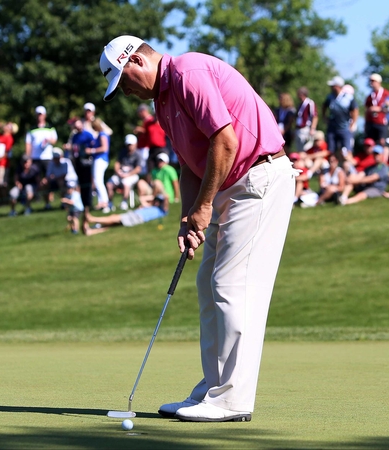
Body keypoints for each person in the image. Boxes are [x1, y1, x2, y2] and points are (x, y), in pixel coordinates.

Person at [99, 34, 294, 422]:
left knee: (232, 284)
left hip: (258, 179)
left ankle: (233, 399)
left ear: (136, 60)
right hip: (228, 186)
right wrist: (188, 217)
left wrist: (204, 205)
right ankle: (213, 388)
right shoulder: (163, 101)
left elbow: (225, 140)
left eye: (123, 81)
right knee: (208, 284)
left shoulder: (189, 72)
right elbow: (191, 164)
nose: (124, 91)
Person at [84, 186, 169, 235]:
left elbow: (166, 198)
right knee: (112, 224)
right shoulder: (151, 206)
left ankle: (91, 219)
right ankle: (90, 231)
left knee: (114, 218)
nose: (157, 202)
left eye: (159, 201)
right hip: (136, 216)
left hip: (137, 217)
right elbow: (142, 198)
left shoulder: (162, 211)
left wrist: (158, 194)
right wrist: (153, 198)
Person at [322, 75, 358, 156]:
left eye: (333, 86)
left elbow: (355, 110)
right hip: (332, 127)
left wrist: (353, 123)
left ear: (337, 86)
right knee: (331, 150)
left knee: (347, 150)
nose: (331, 87)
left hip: (344, 127)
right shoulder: (330, 97)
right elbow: (324, 106)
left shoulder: (349, 97)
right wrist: (324, 117)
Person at [67, 118, 97, 214]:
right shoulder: (75, 136)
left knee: (88, 182)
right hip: (78, 161)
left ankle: (89, 202)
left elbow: (93, 145)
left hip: (87, 161)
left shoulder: (88, 134)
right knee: (81, 182)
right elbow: (74, 147)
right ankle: (84, 203)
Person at [107, 134, 143, 211]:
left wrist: (127, 175)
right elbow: (117, 163)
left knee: (126, 183)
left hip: (132, 175)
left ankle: (124, 202)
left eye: (130, 144)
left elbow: (138, 169)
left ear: (135, 144)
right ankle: (110, 204)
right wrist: (118, 172)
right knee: (109, 183)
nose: (129, 146)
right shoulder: (122, 152)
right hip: (121, 174)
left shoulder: (138, 154)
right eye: (128, 144)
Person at [26, 105, 58, 175]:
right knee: (35, 178)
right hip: (35, 158)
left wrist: (48, 140)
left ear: (44, 115)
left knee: (49, 177)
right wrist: (28, 158)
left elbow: (55, 141)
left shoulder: (50, 128)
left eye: (41, 114)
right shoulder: (31, 129)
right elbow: (28, 144)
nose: (39, 116)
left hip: (47, 157)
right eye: (38, 115)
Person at [134, 103, 168, 168]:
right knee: (150, 167)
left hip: (161, 148)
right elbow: (145, 132)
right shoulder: (148, 123)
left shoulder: (163, 121)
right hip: (152, 149)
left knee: (162, 167)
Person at [89, 118, 111, 211]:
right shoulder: (100, 135)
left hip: (101, 159)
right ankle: (101, 202)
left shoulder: (102, 134)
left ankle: (105, 202)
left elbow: (104, 148)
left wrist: (92, 150)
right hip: (98, 159)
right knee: (97, 181)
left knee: (98, 181)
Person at [364, 73, 389, 145]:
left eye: (373, 81)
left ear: (379, 82)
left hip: (381, 122)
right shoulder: (370, 95)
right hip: (371, 122)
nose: (371, 83)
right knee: (370, 143)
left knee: (382, 142)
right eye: (371, 81)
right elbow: (366, 109)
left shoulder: (386, 94)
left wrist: (378, 109)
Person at [294, 87, 318, 152]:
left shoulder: (310, 103)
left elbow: (315, 116)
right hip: (299, 129)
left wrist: (312, 128)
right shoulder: (300, 104)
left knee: (305, 148)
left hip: (306, 128)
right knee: (299, 149)